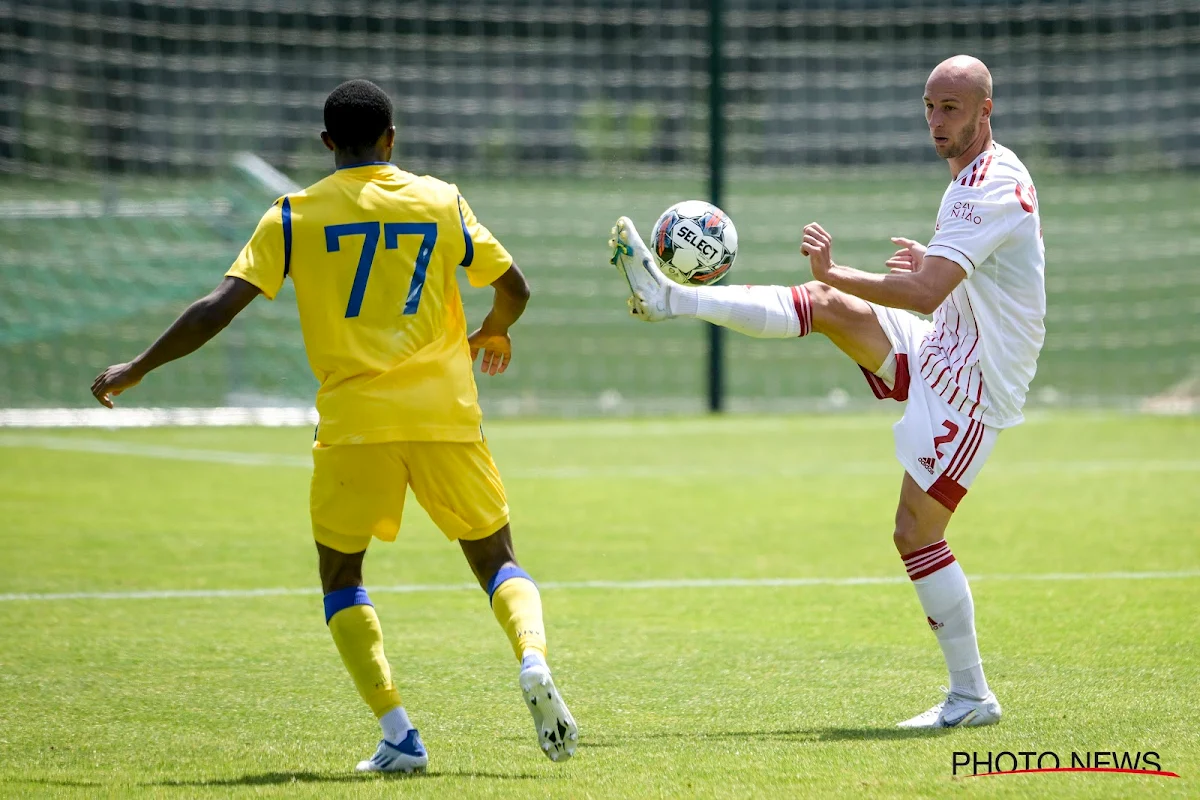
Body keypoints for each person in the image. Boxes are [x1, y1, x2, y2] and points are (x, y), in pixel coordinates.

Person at [91, 79, 578, 769]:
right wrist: (493, 332)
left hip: (354, 423)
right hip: (446, 415)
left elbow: (215, 308)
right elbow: (516, 287)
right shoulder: (440, 199)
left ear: (326, 145)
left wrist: (138, 365)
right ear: (392, 139)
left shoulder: (293, 215)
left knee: (341, 574)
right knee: (497, 558)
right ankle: (531, 660)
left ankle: (399, 733)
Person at [609, 55, 1045, 728]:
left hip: (978, 382)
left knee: (914, 533)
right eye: (929, 106)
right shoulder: (969, 176)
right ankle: (670, 299)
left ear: (986, 111)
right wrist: (883, 275)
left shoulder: (991, 181)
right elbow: (945, 280)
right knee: (827, 303)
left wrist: (846, 268)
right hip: (944, 344)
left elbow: (926, 290)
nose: (936, 121)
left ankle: (971, 697)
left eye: (951, 109)